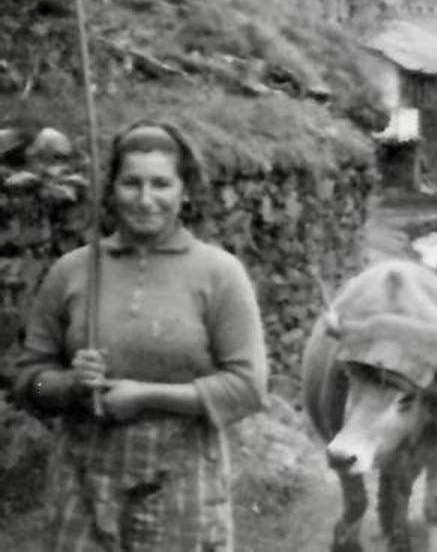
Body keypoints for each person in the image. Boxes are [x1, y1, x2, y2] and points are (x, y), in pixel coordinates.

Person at [13, 120, 268, 551]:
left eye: (161, 184)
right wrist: (68, 385)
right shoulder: (72, 271)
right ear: (111, 187)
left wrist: (146, 396)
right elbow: (28, 382)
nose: (146, 200)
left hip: (184, 482)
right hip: (82, 480)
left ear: (184, 190)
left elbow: (247, 387)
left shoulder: (219, 274)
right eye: (131, 183)